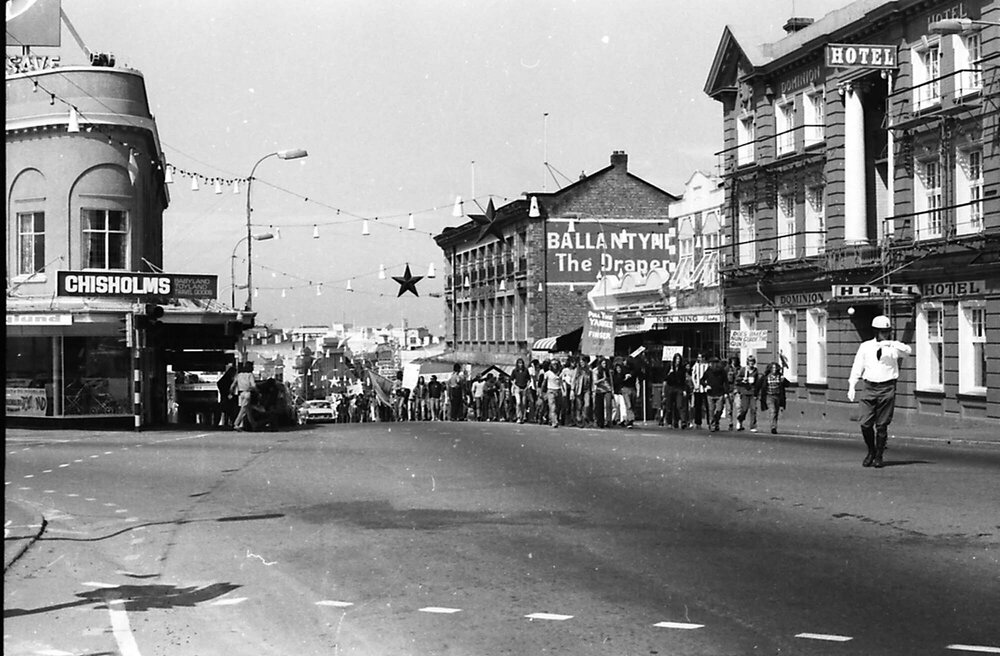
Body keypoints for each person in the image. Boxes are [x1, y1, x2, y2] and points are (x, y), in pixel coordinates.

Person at [848, 314, 912, 468]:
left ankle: (879, 456)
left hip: (887, 387)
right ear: (875, 331)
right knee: (865, 424)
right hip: (869, 387)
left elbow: (907, 351)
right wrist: (852, 385)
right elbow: (858, 366)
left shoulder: (893, 348)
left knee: (882, 426)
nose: (885, 334)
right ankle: (871, 450)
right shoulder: (866, 346)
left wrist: (891, 343)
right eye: (882, 331)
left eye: (887, 331)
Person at [757, 361, 788, 435]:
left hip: (778, 396)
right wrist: (756, 394)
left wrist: (784, 381)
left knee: (776, 412)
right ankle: (773, 427)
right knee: (773, 411)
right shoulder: (766, 377)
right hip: (769, 396)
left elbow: (787, 384)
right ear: (770, 369)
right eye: (772, 368)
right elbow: (759, 384)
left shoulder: (780, 376)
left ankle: (774, 426)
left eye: (775, 368)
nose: (774, 369)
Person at [700, 356, 729, 432]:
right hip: (710, 393)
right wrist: (706, 385)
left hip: (720, 393)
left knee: (719, 410)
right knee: (711, 410)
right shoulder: (708, 371)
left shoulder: (722, 371)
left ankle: (716, 421)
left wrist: (726, 392)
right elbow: (702, 380)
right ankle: (713, 425)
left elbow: (726, 382)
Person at [735, 355, 760, 432]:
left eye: (752, 362)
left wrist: (757, 393)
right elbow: (737, 379)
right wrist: (743, 379)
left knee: (753, 409)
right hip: (745, 392)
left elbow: (757, 382)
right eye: (750, 362)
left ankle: (753, 426)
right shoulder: (743, 370)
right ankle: (740, 420)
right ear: (747, 362)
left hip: (752, 392)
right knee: (744, 409)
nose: (751, 363)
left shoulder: (756, 371)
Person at [230, 361, 257, 431]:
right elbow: (254, 385)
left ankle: (254, 425)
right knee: (243, 409)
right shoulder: (250, 375)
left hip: (241, 393)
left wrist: (231, 393)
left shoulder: (239, 375)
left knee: (247, 410)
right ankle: (236, 424)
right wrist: (255, 390)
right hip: (247, 393)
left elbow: (232, 385)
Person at [663, 353, 688, 429]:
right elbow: (665, 378)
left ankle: (683, 421)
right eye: (676, 359)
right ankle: (670, 422)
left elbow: (683, 380)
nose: (678, 361)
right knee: (669, 406)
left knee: (679, 405)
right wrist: (670, 373)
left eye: (679, 359)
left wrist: (684, 390)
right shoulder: (669, 367)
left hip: (679, 388)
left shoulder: (682, 369)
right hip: (670, 387)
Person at [690, 352, 709, 429]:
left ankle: (709, 422)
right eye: (698, 357)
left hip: (705, 389)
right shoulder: (695, 365)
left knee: (708, 406)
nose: (699, 359)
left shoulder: (707, 366)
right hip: (697, 389)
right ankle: (698, 422)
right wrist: (695, 385)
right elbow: (693, 376)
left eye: (701, 357)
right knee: (698, 406)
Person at [511, 358, 532, 424]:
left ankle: (522, 416)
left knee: (523, 403)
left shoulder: (526, 370)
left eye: (521, 363)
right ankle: (518, 417)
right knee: (518, 402)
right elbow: (511, 379)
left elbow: (529, 379)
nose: (521, 364)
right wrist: (515, 386)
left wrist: (527, 386)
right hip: (517, 388)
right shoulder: (514, 371)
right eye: (519, 363)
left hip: (524, 388)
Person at [543, 360, 563, 427]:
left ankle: (551, 419)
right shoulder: (548, 373)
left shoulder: (560, 373)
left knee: (557, 407)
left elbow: (561, 383)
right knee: (552, 407)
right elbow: (544, 383)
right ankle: (555, 422)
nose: (555, 365)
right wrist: (542, 392)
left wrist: (563, 391)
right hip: (550, 390)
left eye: (556, 364)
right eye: (553, 364)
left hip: (558, 390)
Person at [723, 356, 740, 430]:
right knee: (729, 408)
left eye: (735, 360)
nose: (734, 361)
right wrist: (725, 391)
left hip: (737, 390)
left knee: (739, 407)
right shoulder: (727, 368)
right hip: (729, 390)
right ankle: (730, 422)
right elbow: (724, 380)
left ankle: (739, 422)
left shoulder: (740, 368)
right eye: (733, 360)